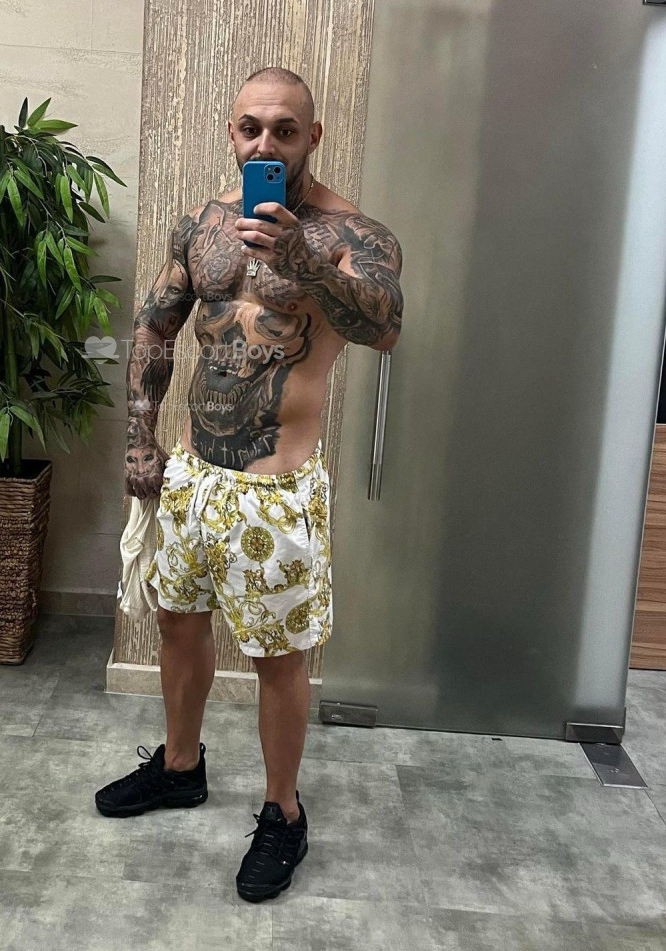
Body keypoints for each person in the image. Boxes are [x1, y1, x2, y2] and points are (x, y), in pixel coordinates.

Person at [94, 66, 403, 902]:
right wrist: (140, 441)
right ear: (231, 132)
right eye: (250, 128)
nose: (266, 143)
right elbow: (153, 330)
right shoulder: (203, 225)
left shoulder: (353, 233)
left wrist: (307, 262)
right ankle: (179, 767)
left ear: (312, 136)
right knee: (177, 623)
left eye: (285, 130)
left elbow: (384, 327)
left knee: (277, 659)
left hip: (276, 491)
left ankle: (282, 813)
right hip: (193, 476)